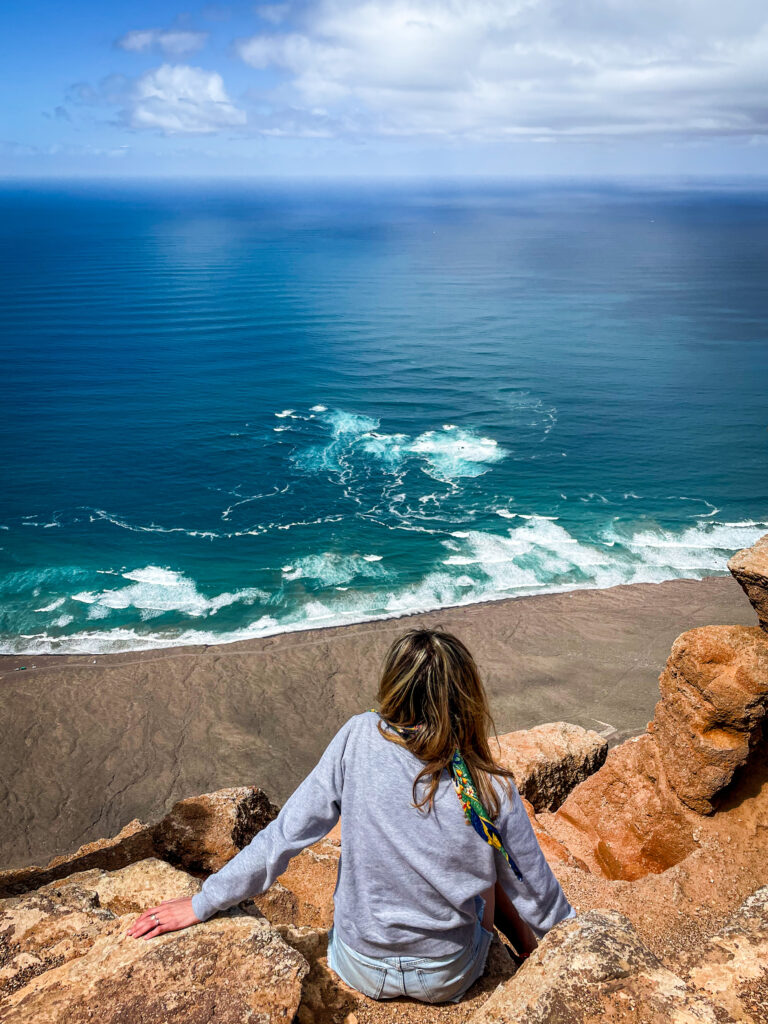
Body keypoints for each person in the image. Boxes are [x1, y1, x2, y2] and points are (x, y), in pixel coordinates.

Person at [125, 627, 576, 1003]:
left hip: (359, 964)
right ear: (467, 699)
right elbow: (539, 895)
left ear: (394, 688)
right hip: (445, 977)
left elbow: (283, 837)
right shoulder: (490, 786)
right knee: (495, 872)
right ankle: (523, 956)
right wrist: (577, 949)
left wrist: (202, 903)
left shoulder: (357, 737)